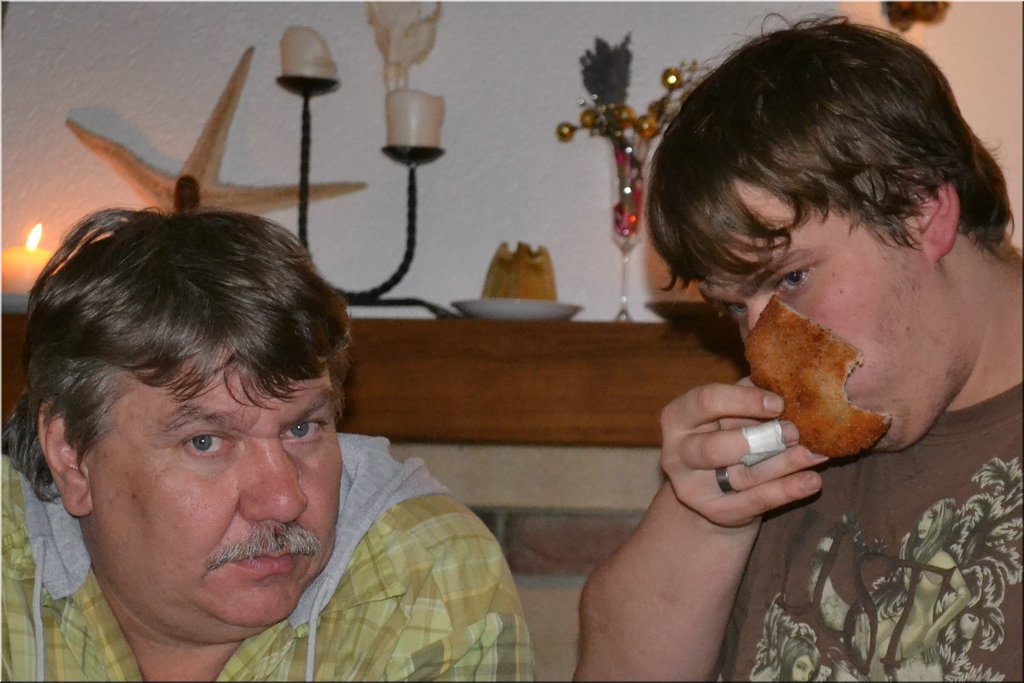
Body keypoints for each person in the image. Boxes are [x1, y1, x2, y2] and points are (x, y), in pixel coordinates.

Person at [574, 16, 1021, 682]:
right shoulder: (774, 451)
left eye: (791, 278)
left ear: (922, 210)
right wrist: (702, 520)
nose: (763, 352)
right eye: (734, 307)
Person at [1, 207, 534, 681]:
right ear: (71, 457)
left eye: (301, 429)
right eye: (206, 441)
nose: (284, 500)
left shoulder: (425, 575)